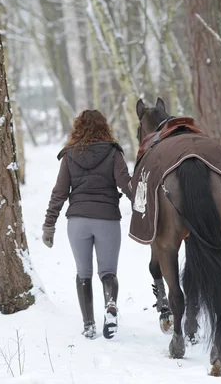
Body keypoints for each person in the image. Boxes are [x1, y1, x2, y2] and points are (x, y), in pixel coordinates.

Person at [42, 110, 132, 340]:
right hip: (107, 220)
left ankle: (89, 325)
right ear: (105, 126)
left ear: (78, 128)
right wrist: (146, 208)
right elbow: (126, 185)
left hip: (78, 222)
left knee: (84, 273)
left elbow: (59, 192)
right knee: (108, 272)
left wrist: (49, 224)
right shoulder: (113, 152)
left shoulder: (70, 155)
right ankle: (110, 305)